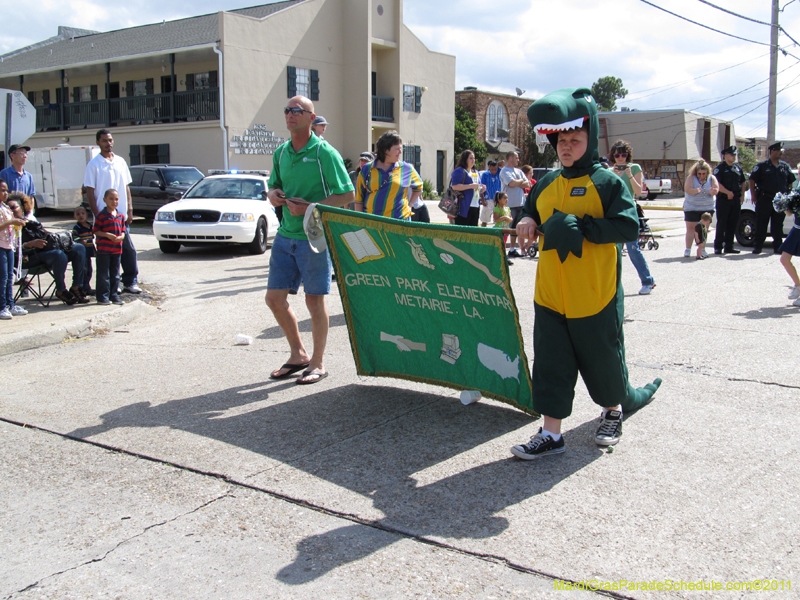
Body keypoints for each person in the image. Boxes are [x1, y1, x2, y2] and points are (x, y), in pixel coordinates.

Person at [511, 87, 661, 460]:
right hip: (549, 295)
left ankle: (613, 411)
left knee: (603, 359)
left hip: (595, 295)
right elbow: (528, 211)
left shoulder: (609, 182)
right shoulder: (545, 183)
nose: (566, 147)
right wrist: (527, 220)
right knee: (550, 364)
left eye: (575, 140)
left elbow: (628, 228)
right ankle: (551, 432)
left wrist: (583, 227)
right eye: (562, 140)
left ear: (589, 139)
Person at [265, 95, 355, 385]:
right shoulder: (280, 153)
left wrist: (311, 207)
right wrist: (273, 195)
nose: (290, 115)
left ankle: (318, 363)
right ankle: (298, 354)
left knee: (314, 302)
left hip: (314, 238)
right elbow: (273, 185)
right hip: (285, 237)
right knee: (274, 299)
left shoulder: (324, 153)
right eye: (286, 110)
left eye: (296, 110)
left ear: (311, 117)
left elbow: (348, 195)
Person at [84, 129, 142, 294]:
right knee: (108, 254)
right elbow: (90, 191)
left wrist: (130, 208)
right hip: (104, 218)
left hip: (120, 216)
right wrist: (98, 215)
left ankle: (130, 281)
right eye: (104, 141)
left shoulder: (121, 162)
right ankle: (111, 285)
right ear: (98, 143)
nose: (108, 143)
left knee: (128, 249)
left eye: (110, 140)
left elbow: (126, 186)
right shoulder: (94, 165)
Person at [14, 194, 89, 306]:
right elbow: (11, 250)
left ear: (22, 208)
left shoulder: (31, 221)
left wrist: (58, 238)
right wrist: (28, 245)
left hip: (44, 253)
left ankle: (76, 286)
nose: (10, 210)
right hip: (26, 259)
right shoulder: (7, 225)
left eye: (14, 207)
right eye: (8, 208)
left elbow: (46, 234)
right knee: (58, 255)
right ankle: (61, 289)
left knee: (78, 248)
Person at [609, 139, 656, 294]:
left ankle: (647, 281)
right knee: (613, 249)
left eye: (623, 154)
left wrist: (629, 176)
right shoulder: (609, 171)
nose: (620, 158)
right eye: (617, 155)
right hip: (614, 211)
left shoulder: (635, 168)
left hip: (629, 209)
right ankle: (612, 285)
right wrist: (613, 175)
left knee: (633, 248)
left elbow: (638, 192)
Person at [355, 131, 422, 220]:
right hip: (372, 224)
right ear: (385, 150)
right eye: (397, 149)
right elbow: (359, 199)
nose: (400, 152)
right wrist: (360, 222)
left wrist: (410, 205)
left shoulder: (407, 168)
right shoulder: (366, 169)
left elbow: (418, 187)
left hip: (399, 224)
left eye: (400, 148)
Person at [749, 142, 796, 254]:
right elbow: (752, 179)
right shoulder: (762, 165)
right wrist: (753, 195)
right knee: (761, 223)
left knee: (778, 225)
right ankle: (758, 246)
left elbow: (790, 181)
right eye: (779, 150)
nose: (781, 152)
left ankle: (778, 247)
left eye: (781, 150)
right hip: (765, 199)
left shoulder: (784, 166)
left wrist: (787, 195)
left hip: (779, 201)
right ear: (772, 151)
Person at [93, 190, 126, 305]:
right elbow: (96, 231)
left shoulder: (120, 216)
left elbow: (123, 231)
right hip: (104, 251)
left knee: (115, 274)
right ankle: (102, 297)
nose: (114, 201)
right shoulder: (101, 216)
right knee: (103, 274)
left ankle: (114, 295)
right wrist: (107, 234)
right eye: (111, 199)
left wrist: (121, 237)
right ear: (105, 200)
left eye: (116, 199)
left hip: (116, 250)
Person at [0, 182, 28, 319]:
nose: (5, 193)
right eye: (2, 190)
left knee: (10, 277)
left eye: (6, 190)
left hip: (8, 245)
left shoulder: (5, 207)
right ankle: (2, 306)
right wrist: (11, 222)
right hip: (0, 246)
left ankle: (10, 305)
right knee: (3, 277)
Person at [713, 146, 747, 255]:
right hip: (724, 200)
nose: (734, 157)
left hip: (735, 199)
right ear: (725, 155)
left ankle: (729, 246)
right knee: (722, 223)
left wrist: (742, 195)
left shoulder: (737, 168)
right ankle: (718, 247)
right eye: (732, 154)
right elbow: (716, 183)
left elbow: (743, 181)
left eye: (735, 155)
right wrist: (727, 192)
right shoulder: (720, 168)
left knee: (733, 223)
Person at [683, 160, 718, 258]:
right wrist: (696, 190)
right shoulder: (691, 178)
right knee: (691, 228)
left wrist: (713, 191)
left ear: (707, 172)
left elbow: (716, 189)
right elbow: (687, 189)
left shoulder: (712, 178)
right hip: (692, 207)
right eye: (699, 173)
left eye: (704, 173)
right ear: (696, 172)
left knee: (703, 229)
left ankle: (702, 249)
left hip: (706, 207)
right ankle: (688, 249)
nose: (701, 176)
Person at [500, 151, 528, 256]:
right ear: (510, 158)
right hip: (509, 204)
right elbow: (510, 183)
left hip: (520, 203)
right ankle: (501, 250)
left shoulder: (519, 171)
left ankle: (512, 249)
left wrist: (518, 182)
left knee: (516, 228)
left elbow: (527, 183)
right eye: (516, 158)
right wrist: (520, 182)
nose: (518, 160)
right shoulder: (504, 171)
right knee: (507, 228)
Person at [450, 150, 484, 226]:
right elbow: (455, 186)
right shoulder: (459, 171)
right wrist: (471, 186)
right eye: (471, 158)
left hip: (475, 205)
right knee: (462, 231)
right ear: (465, 159)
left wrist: (481, 188)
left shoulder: (476, 172)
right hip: (464, 206)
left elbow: (478, 187)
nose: (473, 160)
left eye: (474, 158)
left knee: (473, 232)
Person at [778, 202, 800, 307]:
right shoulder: (798, 190)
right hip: (797, 229)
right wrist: (784, 204)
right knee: (784, 259)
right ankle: (798, 286)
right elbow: (789, 213)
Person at [72, 206, 95, 294]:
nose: (81, 216)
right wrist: (81, 242)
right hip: (82, 253)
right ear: (74, 217)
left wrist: (94, 250)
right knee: (83, 270)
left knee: (89, 269)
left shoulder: (89, 226)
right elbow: (74, 239)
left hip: (89, 252)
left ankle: (87, 285)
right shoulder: (77, 228)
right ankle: (83, 287)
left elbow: (92, 239)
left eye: (83, 213)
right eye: (78, 214)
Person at [479, 160, 502, 227]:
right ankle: (482, 233)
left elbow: (502, 163)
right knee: (485, 219)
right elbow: (482, 187)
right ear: (489, 168)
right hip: (488, 199)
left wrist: (498, 164)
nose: (494, 171)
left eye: (495, 169)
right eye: (492, 169)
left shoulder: (499, 172)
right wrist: (482, 199)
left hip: (497, 199)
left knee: (497, 218)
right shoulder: (485, 174)